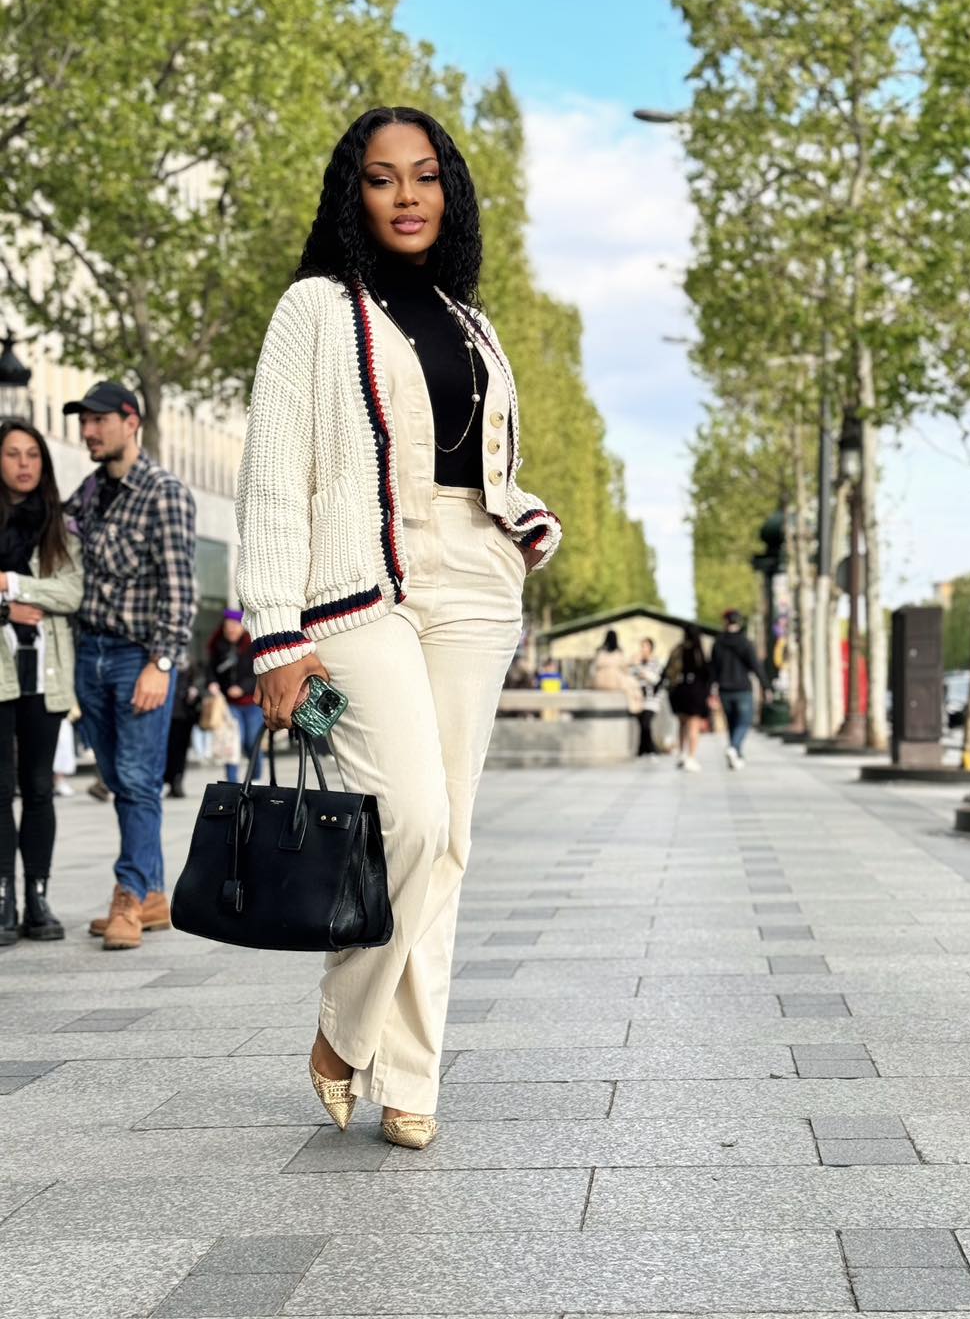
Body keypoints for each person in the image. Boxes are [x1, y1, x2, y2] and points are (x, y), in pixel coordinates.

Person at [236, 107, 561, 1149]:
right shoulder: (316, 312)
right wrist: (276, 636)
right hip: (357, 588)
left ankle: (411, 1079)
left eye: (425, 177)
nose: (408, 195)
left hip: (474, 578)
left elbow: (475, 462)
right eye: (384, 179)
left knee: (452, 835)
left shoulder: (473, 320)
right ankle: (346, 1026)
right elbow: (276, 479)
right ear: (355, 194)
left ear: (449, 194)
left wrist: (521, 516)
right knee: (408, 817)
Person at [65, 381, 197, 951]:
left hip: (136, 658)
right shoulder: (88, 494)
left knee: (140, 782)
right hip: (88, 655)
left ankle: (127, 895)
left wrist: (161, 663)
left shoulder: (164, 492)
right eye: (83, 423)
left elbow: (180, 589)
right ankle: (155, 895)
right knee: (120, 782)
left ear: (130, 421)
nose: (88, 432)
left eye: (98, 421)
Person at [0, 420, 83, 944]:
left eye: (33, 454)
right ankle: (4, 900)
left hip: (46, 673)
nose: (25, 464)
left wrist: (9, 584)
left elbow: (70, 592)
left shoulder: (59, 524)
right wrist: (13, 603)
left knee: (38, 789)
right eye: (12, 454)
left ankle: (38, 899)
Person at [205, 608, 262, 784]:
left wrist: (243, 688)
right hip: (228, 704)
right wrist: (212, 684)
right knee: (231, 740)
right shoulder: (217, 646)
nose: (231, 630)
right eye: (228, 627)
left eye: (235, 626)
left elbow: (259, 674)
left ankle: (255, 777)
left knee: (251, 741)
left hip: (251, 702)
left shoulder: (253, 645)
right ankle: (232, 781)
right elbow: (210, 671)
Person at [711, 608, 770, 770]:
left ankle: (736, 755)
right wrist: (766, 686)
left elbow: (713, 668)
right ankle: (734, 748)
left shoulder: (718, 642)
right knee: (744, 721)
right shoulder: (745, 642)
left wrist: (711, 689)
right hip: (742, 688)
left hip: (724, 689)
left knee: (732, 723)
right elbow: (755, 666)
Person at [664, 624, 711, 773]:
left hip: (679, 690)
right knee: (693, 725)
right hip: (695, 691)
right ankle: (691, 756)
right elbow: (706, 673)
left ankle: (681, 754)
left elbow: (667, 670)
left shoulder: (678, 650)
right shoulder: (699, 651)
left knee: (682, 724)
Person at [163, 664, 201, 799]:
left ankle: (176, 782)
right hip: (165, 714)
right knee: (164, 750)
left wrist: (195, 691)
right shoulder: (164, 665)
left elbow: (202, 684)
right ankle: (167, 780)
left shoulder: (190, 668)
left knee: (180, 751)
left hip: (184, 716)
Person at [588, 630, 643, 716]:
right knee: (632, 683)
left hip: (598, 682)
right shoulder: (618, 652)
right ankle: (635, 708)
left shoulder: (599, 651)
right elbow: (625, 669)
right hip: (614, 681)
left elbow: (593, 668)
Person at [629, 637, 663, 758]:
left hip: (651, 699)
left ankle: (650, 749)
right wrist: (635, 665)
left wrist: (641, 671)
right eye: (641, 646)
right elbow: (631, 678)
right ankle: (644, 749)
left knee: (645, 723)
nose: (642, 649)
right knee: (641, 725)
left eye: (645, 646)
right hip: (638, 699)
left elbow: (655, 679)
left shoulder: (656, 662)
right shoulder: (636, 662)